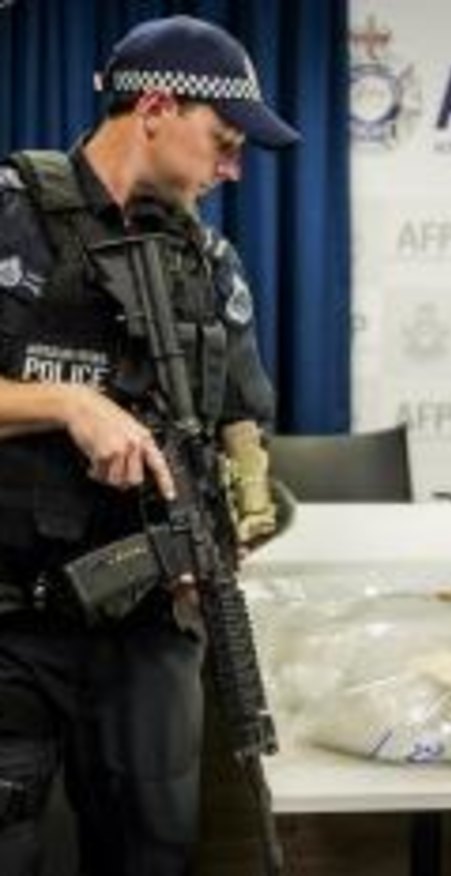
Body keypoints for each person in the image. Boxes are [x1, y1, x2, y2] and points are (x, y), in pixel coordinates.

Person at [0, 15, 299, 876]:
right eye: (225, 138)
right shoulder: (14, 216)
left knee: (156, 851)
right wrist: (66, 403)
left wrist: (246, 497)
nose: (234, 166)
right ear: (160, 105)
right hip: (14, 623)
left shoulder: (210, 260)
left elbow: (244, 416)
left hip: (149, 631)